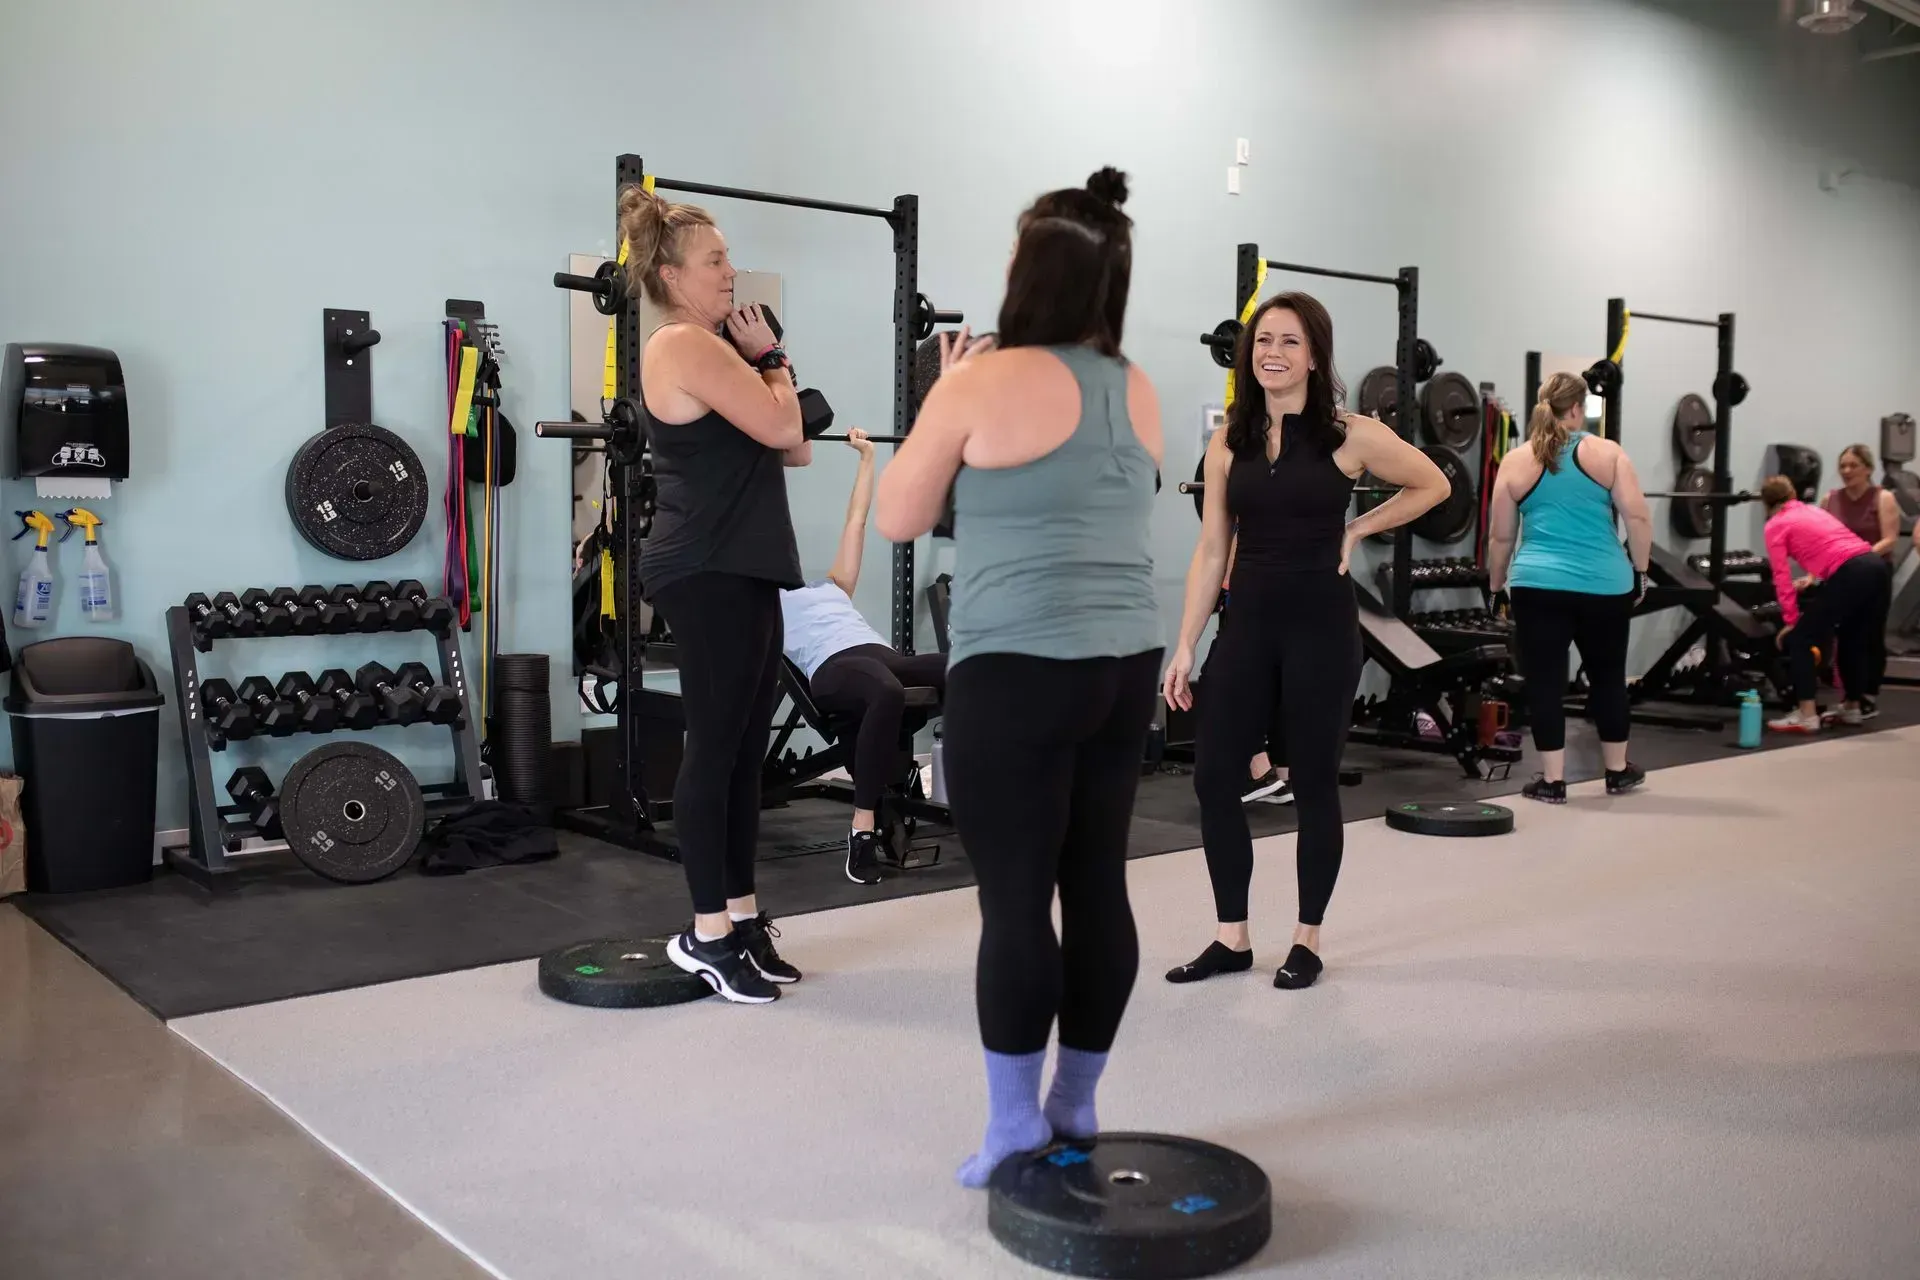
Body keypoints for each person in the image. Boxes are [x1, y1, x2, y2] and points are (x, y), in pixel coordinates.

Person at [876, 167, 1163, 1188]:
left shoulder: (979, 382)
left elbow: (900, 518)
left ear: (1026, 274)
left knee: (1013, 901)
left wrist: (941, 396)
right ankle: (1074, 1100)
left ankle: (1011, 1126)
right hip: (1125, 665)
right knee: (1094, 886)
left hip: (1016, 670)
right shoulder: (1135, 385)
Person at [1163, 293, 1449, 992]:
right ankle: (1232, 937)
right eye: (1264, 341)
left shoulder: (1349, 434)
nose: (1273, 354)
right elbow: (1210, 551)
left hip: (1322, 628)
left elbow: (1434, 483)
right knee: (1212, 777)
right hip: (1248, 626)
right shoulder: (1229, 440)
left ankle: (1307, 938)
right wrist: (1183, 644)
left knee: (1313, 780)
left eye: (1290, 342)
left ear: (1314, 355)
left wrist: (1359, 528)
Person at [618, 183, 812, 1005]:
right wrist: (772, 363)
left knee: (741, 755)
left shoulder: (714, 349)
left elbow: (791, 450)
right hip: (707, 567)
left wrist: (768, 373)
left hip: (746, 563)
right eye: (717, 260)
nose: (733, 272)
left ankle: (740, 917)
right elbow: (783, 428)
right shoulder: (681, 345)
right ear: (671, 272)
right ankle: (706, 934)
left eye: (729, 256)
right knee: (715, 750)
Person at [779, 428, 948, 886]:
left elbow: (856, 519)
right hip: (833, 669)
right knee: (886, 691)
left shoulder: (834, 585)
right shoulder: (764, 601)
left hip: (879, 654)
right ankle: (862, 831)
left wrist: (868, 458)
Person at [1484, 371, 1654, 804]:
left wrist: (1496, 584)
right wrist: (1642, 569)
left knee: (1544, 682)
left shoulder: (1517, 460)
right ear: (1578, 408)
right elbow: (1636, 518)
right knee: (1608, 678)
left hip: (1537, 585)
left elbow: (1500, 537)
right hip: (1604, 585)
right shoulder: (1608, 453)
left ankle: (1553, 781)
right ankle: (1617, 772)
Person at [1761, 475, 1891, 732]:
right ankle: (1852, 707)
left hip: (1850, 572)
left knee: (1799, 638)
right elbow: (1833, 545)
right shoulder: (1812, 511)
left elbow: (1781, 576)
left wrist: (1790, 621)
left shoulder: (1775, 524)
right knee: (1852, 635)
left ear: (1766, 504)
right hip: (1876, 565)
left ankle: (1807, 714)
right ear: (1792, 495)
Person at [1821, 444, 1901, 562]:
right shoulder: (1829, 499)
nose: (1846, 471)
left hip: (1871, 568)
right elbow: (1821, 541)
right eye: (1842, 466)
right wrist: (1812, 575)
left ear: (1868, 469)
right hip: (1837, 568)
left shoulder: (1883, 498)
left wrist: (1857, 559)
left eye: (1854, 466)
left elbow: (1889, 540)